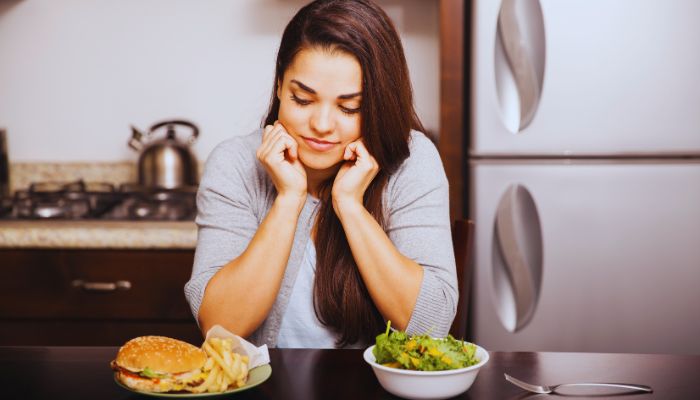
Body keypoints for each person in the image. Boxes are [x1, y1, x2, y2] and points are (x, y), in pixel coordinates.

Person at [185, 0, 457, 348]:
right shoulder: (235, 163)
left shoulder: (411, 160)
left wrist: (350, 206)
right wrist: (289, 199)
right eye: (303, 99)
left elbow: (430, 326)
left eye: (349, 107)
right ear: (281, 85)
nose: (322, 125)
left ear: (378, 104)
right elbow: (221, 326)